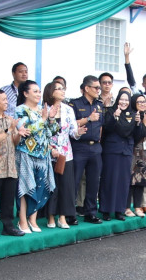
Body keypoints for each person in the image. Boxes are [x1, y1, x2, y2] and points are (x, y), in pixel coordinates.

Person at [15, 80, 59, 233]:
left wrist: (51, 118)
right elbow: (26, 130)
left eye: (39, 91)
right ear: (25, 93)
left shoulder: (42, 109)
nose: (39, 94)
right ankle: (22, 221)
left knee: (40, 187)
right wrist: (43, 120)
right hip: (26, 153)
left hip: (43, 154)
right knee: (25, 188)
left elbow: (51, 131)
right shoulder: (20, 110)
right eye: (35, 91)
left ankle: (33, 220)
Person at [0, 89, 27, 237]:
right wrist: (9, 130)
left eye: (7, 99)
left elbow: (14, 142)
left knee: (8, 200)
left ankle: (8, 226)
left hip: (10, 165)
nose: (6, 102)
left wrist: (18, 134)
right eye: (3, 99)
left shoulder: (10, 119)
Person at [99, 89, 142, 220]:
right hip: (112, 150)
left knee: (123, 182)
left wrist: (139, 124)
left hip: (126, 152)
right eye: (121, 99)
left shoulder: (134, 114)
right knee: (109, 180)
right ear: (117, 100)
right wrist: (115, 117)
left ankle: (119, 210)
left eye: (126, 100)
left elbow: (137, 136)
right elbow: (107, 129)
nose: (123, 102)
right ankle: (106, 210)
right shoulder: (111, 112)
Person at [70, 75, 104, 224]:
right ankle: (70, 214)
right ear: (86, 88)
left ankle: (91, 212)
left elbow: (100, 126)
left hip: (95, 147)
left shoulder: (99, 104)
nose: (99, 90)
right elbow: (70, 125)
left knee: (93, 182)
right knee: (74, 181)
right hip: (79, 147)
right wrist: (88, 118)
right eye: (96, 87)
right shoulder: (75, 104)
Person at [43, 80, 75, 229]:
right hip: (49, 153)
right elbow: (41, 132)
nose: (62, 91)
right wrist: (51, 149)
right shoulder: (44, 108)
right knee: (51, 186)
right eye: (58, 89)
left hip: (65, 154)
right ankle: (50, 216)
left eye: (63, 89)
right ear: (51, 92)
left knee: (66, 186)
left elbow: (73, 131)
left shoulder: (69, 109)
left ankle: (62, 217)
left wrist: (78, 132)